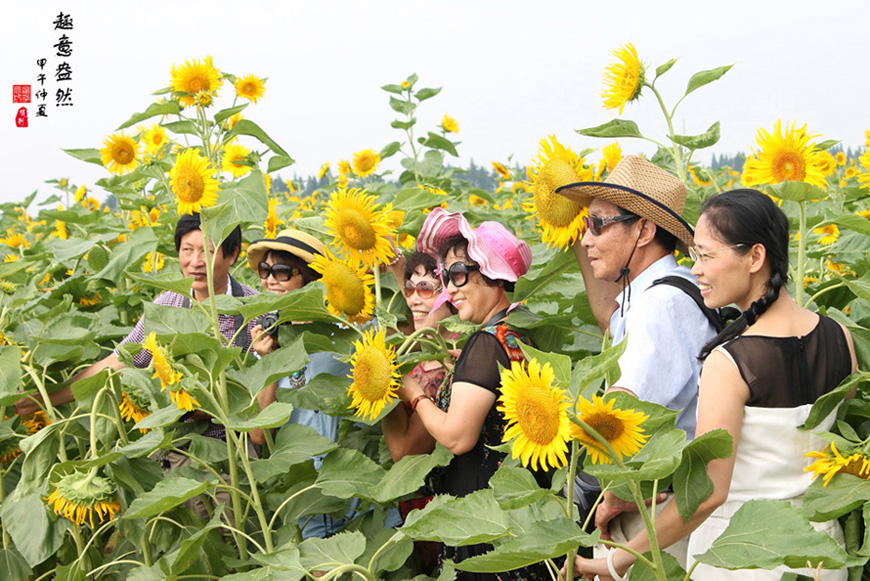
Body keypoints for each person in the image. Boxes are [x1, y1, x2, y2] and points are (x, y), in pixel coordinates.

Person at [567, 189, 857, 580]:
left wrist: (614, 560)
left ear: (755, 257)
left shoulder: (730, 362)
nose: (696, 269)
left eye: (707, 255)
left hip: (743, 555)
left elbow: (706, 495)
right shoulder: (840, 336)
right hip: (821, 552)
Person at [555, 156, 719, 565]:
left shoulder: (657, 306)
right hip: (670, 499)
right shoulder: (674, 287)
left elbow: (623, 416)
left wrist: (611, 495)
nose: (587, 240)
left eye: (597, 225)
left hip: (651, 516)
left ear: (643, 229)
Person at [399, 208, 549, 581]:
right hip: (517, 509)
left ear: (492, 275)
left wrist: (413, 392)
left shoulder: (487, 342)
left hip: (484, 509)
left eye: (459, 274)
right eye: (445, 276)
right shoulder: (515, 333)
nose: (450, 288)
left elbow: (457, 436)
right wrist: (461, 373)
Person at [15, 212, 258, 424]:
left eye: (208, 251)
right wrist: (42, 399)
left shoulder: (255, 309)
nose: (196, 262)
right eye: (187, 250)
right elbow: (119, 362)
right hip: (180, 442)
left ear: (233, 254)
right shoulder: (167, 306)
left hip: (239, 442)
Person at [245, 228, 354, 540]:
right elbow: (258, 435)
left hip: (351, 476)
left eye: (281, 271)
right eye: (264, 271)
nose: (269, 280)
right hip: (305, 490)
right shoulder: (266, 342)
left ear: (309, 278)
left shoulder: (345, 331)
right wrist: (269, 363)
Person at [382, 250, 456, 574]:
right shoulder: (424, 353)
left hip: (439, 511)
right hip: (417, 512)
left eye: (425, 289)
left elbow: (404, 452)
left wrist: (382, 392)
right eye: (408, 289)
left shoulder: (449, 368)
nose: (413, 299)